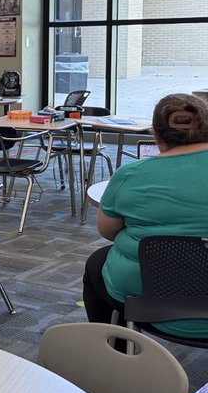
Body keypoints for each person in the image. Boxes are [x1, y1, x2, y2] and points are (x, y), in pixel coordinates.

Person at [82, 93, 208, 336]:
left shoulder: (131, 175)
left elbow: (107, 231)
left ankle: (115, 354)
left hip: (151, 299)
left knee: (97, 264)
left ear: (156, 134)